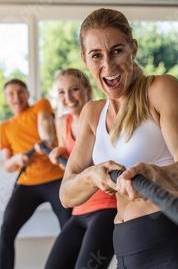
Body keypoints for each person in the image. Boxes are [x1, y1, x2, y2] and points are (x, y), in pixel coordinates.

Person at [59, 8, 178, 269]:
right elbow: (66, 194)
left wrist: (154, 175)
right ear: (85, 60)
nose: (108, 65)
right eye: (96, 55)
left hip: (174, 240)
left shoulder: (160, 89)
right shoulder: (92, 113)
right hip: (127, 246)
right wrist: (92, 176)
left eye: (117, 50)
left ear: (133, 48)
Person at [43, 69, 116, 269]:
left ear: (87, 90)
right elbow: (72, 168)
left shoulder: (102, 116)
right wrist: (59, 154)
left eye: (74, 89)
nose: (68, 97)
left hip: (107, 209)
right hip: (79, 209)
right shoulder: (62, 123)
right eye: (61, 92)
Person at [0, 78, 72, 269]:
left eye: (20, 92)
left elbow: (47, 134)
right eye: (11, 94)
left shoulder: (41, 105)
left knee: (70, 229)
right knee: (6, 230)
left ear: (28, 94)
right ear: (6, 99)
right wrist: (17, 159)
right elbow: (7, 165)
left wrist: (41, 143)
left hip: (56, 179)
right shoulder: (5, 127)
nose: (16, 97)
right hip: (27, 183)